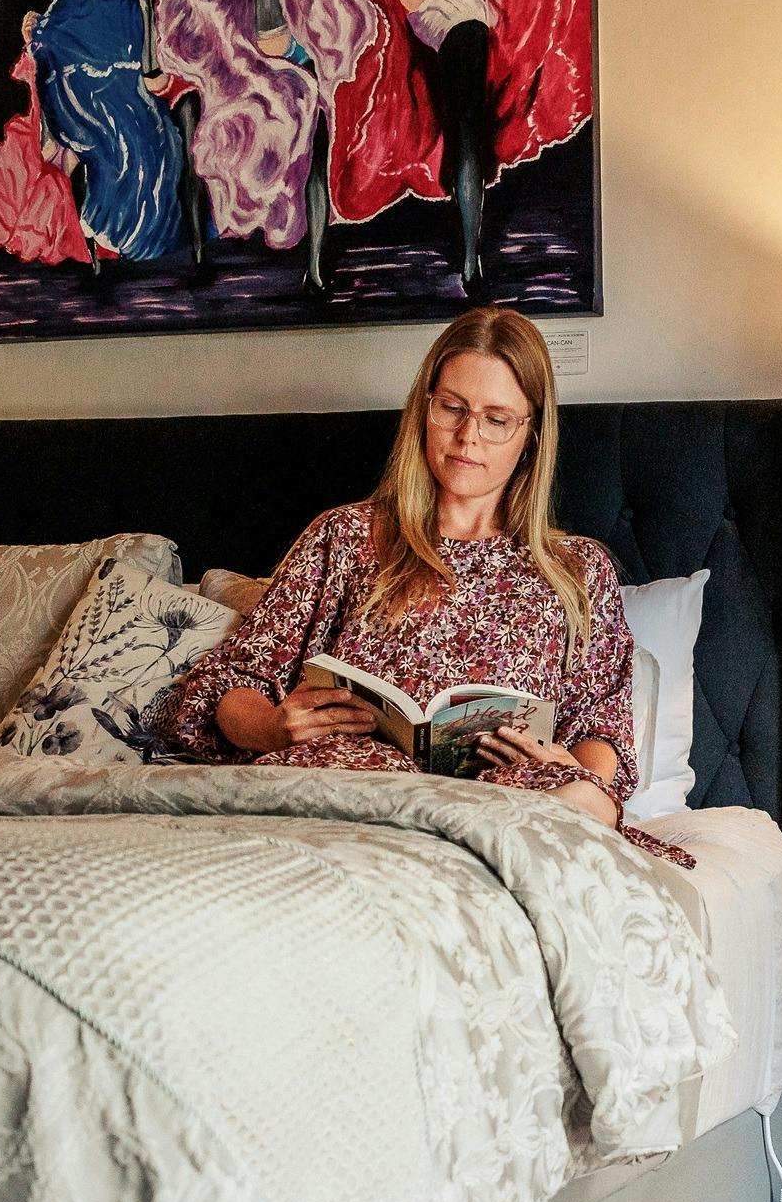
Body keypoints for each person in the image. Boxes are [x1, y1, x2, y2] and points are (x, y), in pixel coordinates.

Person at [158, 304, 685, 866]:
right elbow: (226, 685)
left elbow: (602, 732)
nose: (467, 437)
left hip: (507, 796)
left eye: (496, 419)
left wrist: (567, 765)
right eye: (452, 408)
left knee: (584, 799)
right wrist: (269, 727)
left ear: (530, 434)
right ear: (424, 409)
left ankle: (498, 839)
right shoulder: (346, 537)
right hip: (349, 785)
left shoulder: (578, 571)